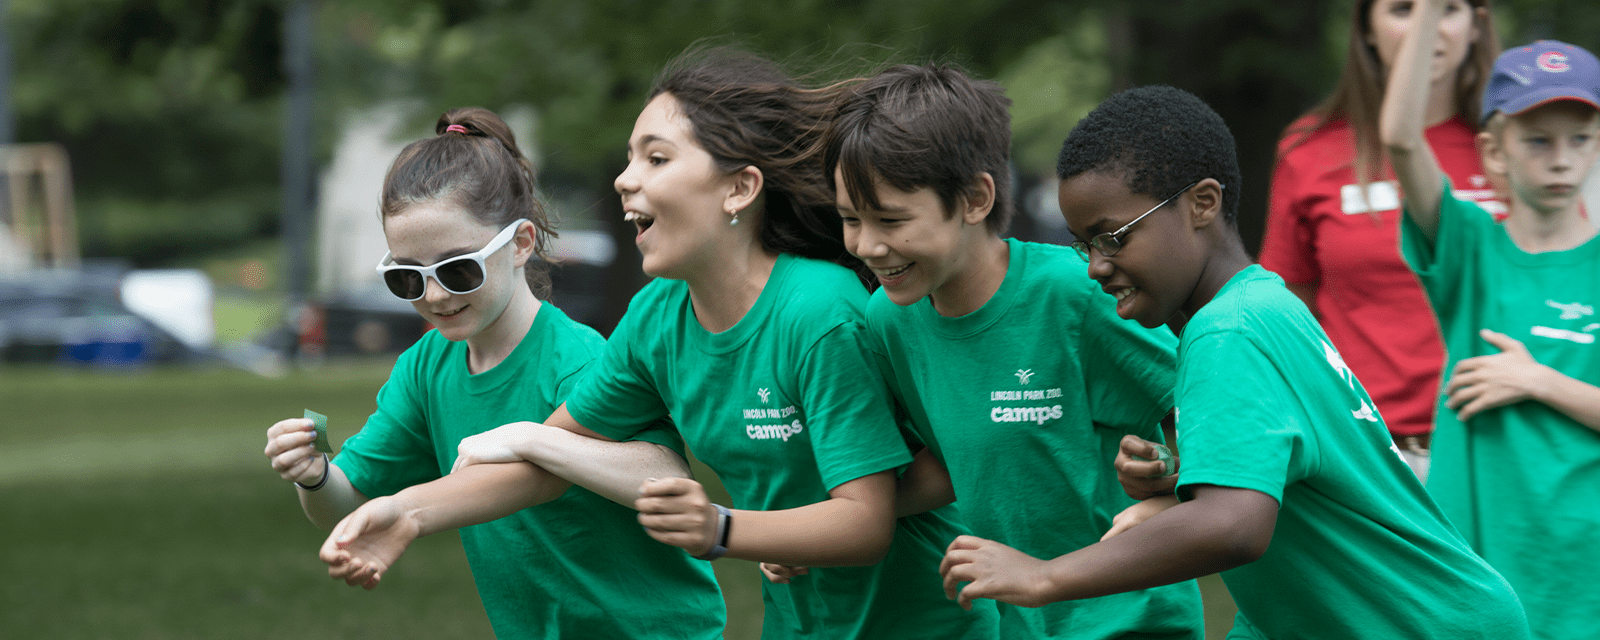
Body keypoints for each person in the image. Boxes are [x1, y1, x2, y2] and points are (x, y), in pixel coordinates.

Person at [317, 49, 998, 640]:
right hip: (805, 620)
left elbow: (864, 524)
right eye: (629, 156)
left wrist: (726, 528)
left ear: (739, 187)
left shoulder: (817, 313)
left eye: (657, 157)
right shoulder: (657, 318)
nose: (624, 178)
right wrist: (407, 512)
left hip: (927, 622)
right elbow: (550, 466)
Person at [937, 84, 1529, 639]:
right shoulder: (1263, 302)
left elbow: (1233, 527)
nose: (1095, 265)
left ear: (1202, 203)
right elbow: (1296, 472)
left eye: (1113, 237)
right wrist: (1187, 476)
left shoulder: (1229, 333)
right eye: (1084, 244)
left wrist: (1046, 576)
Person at [262, 107, 725, 639]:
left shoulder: (575, 358)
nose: (434, 295)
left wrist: (533, 441)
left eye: (458, 270)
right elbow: (348, 502)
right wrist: (315, 473)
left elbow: (665, 477)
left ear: (521, 244)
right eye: (407, 279)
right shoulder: (425, 368)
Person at [815, 62, 1202, 639]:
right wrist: (821, 532)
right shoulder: (890, 318)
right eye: (850, 219)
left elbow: (1208, 417)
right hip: (1018, 624)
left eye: (891, 219)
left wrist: (1169, 487)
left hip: (1130, 620)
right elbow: (951, 463)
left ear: (974, 197)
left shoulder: (1075, 294)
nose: (867, 246)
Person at [1381, 1, 1600, 635]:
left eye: (1579, 139)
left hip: (1586, 573)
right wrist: (1428, 11)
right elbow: (1399, 136)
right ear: (1493, 152)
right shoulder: (1470, 249)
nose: (1561, 159)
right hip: (1485, 577)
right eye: (1537, 140)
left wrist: (1537, 381)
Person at [1258, 0, 1501, 479]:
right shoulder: (1311, 147)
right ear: (1366, 29)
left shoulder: (1513, 145)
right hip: (1364, 449)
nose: (1425, 27)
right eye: (1402, 9)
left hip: (1494, 444)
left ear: (1477, 24)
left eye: (1446, 9)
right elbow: (1286, 312)